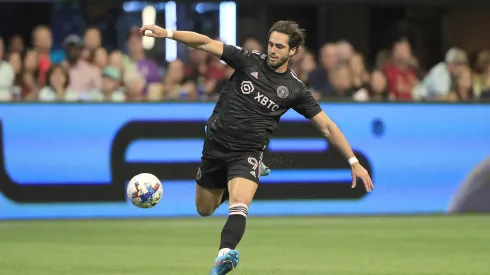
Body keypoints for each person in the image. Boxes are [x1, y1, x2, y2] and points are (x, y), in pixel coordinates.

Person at [140, 21, 374, 275]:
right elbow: (205, 43)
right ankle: (241, 178)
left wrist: (353, 162)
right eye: (271, 44)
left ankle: (224, 255)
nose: (273, 50)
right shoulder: (247, 60)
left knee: (240, 204)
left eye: (280, 46)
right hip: (215, 146)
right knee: (205, 209)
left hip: (248, 152)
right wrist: (168, 34)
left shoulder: (295, 89)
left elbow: (327, 126)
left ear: (293, 51)